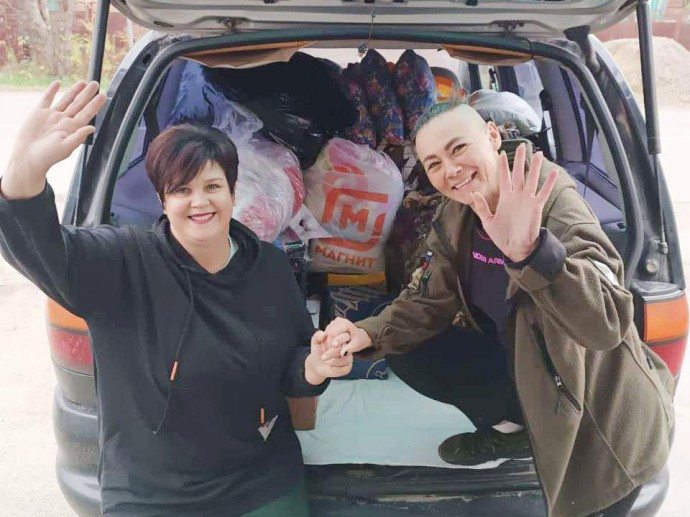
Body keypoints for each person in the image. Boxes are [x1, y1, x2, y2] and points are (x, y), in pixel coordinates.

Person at [0, 80, 353, 516]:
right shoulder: (121, 262)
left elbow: (293, 368)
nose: (199, 202)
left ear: (233, 191)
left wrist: (318, 365)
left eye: (212, 186)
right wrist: (24, 172)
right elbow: (41, 250)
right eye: (181, 190)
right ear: (161, 200)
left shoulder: (270, 268)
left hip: (258, 481)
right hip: (151, 492)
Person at [321, 100, 674, 517]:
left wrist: (534, 254)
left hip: (600, 420)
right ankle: (512, 430)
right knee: (405, 345)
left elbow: (607, 323)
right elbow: (427, 300)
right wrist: (365, 332)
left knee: (590, 499)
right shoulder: (456, 213)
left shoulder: (547, 196)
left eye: (458, 148)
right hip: (522, 355)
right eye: (434, 164)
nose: (451, 170)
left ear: (491, 135)